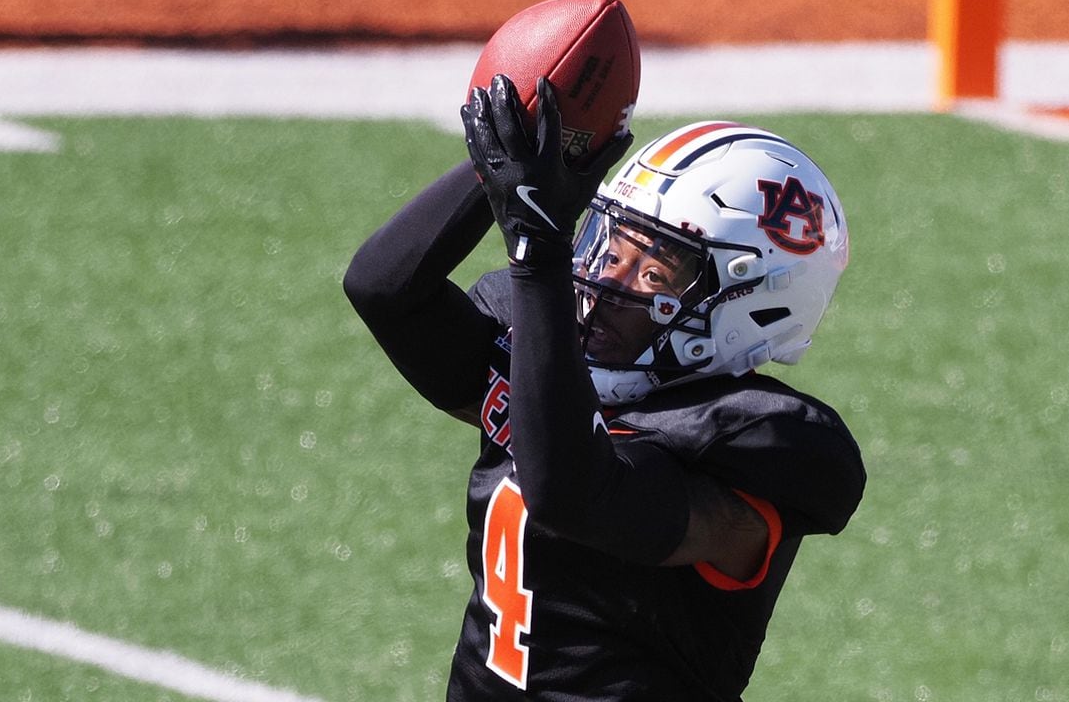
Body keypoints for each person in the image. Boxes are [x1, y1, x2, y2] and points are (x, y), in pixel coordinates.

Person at [343, 74, 865, 701]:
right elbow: (384, 289)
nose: (605, 276)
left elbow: (573, 493)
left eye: (653, 268)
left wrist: (537, 248)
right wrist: (517, 162)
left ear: (748, 303)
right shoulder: (545, 346)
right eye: (610, 241)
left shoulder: (748, 447)